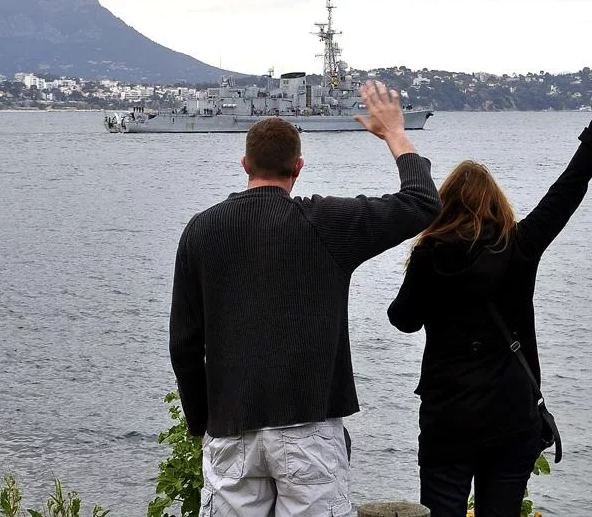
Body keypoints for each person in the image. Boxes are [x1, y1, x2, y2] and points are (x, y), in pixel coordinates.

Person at [387, 63, 592, 517]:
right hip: (511, 415)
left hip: (449, 417)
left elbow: (403, 320)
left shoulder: (431, 255)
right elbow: (572, 183)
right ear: (497, 204)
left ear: (444, 206)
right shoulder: (520, 246)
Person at [170, 81, 441, 517]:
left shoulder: (201, 230)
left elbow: (184, 344)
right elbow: (422, 202)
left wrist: (202, 422)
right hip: (308, 425)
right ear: (298, 166)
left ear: (245, 164)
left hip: (230, 424)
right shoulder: (325, 223)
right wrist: (395, 133)